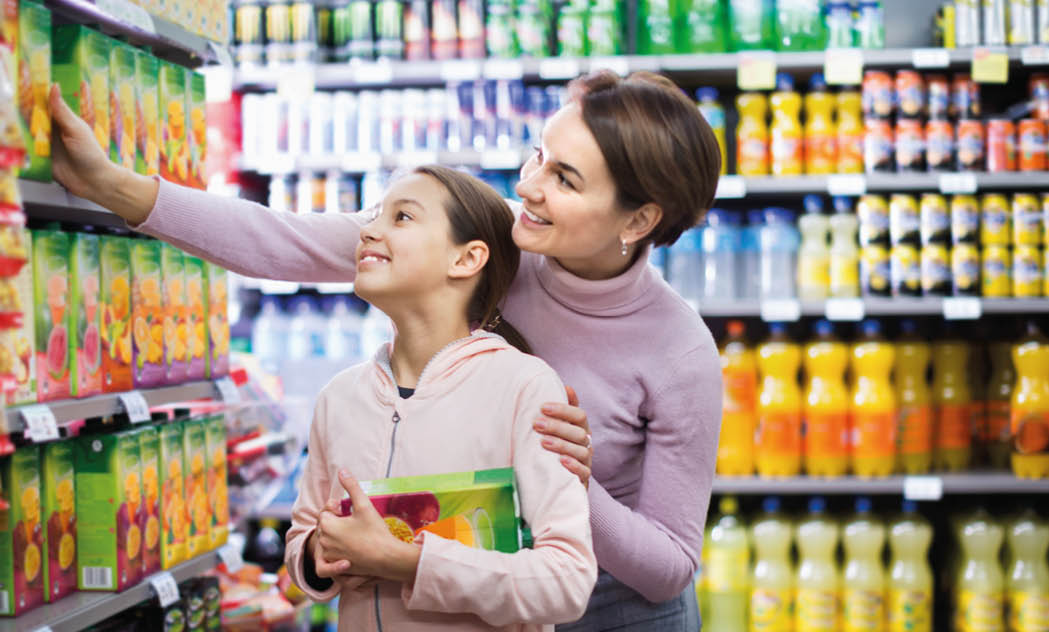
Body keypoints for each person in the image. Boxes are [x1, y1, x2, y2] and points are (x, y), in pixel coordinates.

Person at [49, 69, 723, 630]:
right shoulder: (494, 244)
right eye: (539, 154)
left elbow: (667, 565)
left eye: (566, 179)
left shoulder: (677, 350)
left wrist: (566, 478)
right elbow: (281, 240)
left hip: (615, 608)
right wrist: (109, 184)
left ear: (637, 219)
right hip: (468, 583)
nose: (528, 185)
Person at [286, 165, 596, 630]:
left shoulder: (523, 387)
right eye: (374, 216)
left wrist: (408, 561)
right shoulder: (339, 397)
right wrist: (317, 552)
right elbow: (303, 540)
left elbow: (566, 581)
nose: (368, 230)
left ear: (467, 259)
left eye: (402, 217)